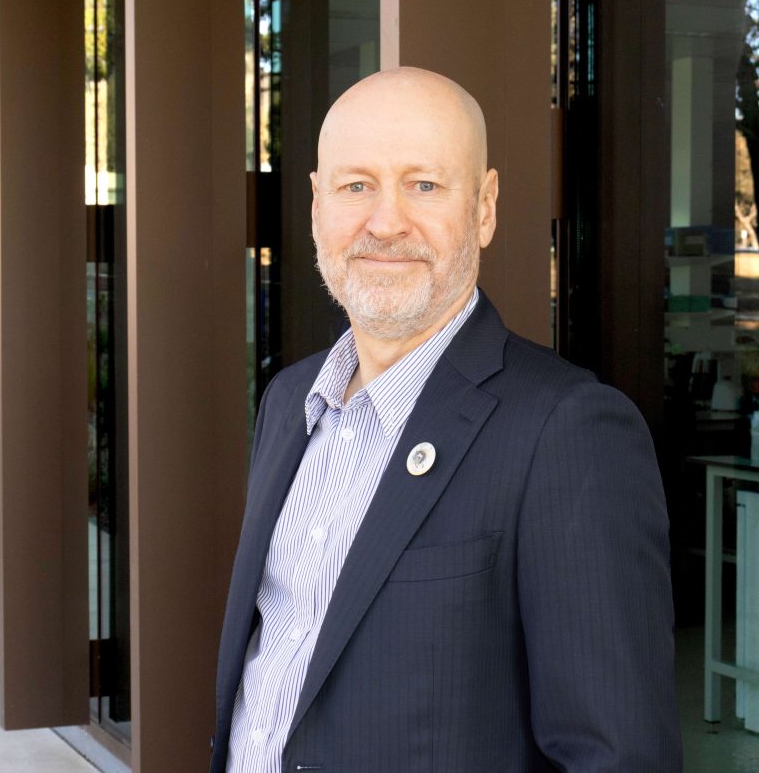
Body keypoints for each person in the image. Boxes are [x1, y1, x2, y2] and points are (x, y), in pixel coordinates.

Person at [211, 67, 681, 772]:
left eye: (424, 185)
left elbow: (617, 756)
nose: (386, 221)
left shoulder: (567, 431)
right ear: (316, 206)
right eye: (355, 185)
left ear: (485, 207)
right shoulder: (289, 401)